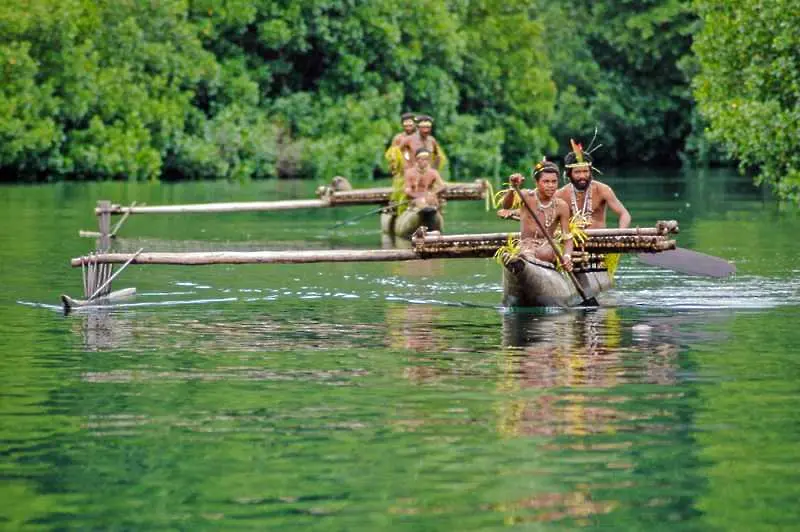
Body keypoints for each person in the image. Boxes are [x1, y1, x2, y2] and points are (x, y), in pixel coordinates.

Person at [500, 160, 574, 271]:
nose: (551, 186)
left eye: (554, 182)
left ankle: (525, 260)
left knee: (542, 253)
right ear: (536, 182)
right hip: (525, 244)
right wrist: (513, 188)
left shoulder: (561, 206)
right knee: (525, 251)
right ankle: (523, 260)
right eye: (546, 182)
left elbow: (567, 238)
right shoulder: (526, 196)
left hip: (548, 247)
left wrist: (567, 256)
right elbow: (506, 206)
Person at [555, 139, 631, 229]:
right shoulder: (560, 194)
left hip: (601, 241)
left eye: (585, 171)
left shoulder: (603, 190)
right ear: (569, 174)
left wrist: (620, 235)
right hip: (571, 242)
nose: (582, 176)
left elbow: (624, 214)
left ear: (590, 172)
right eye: (577, 172)